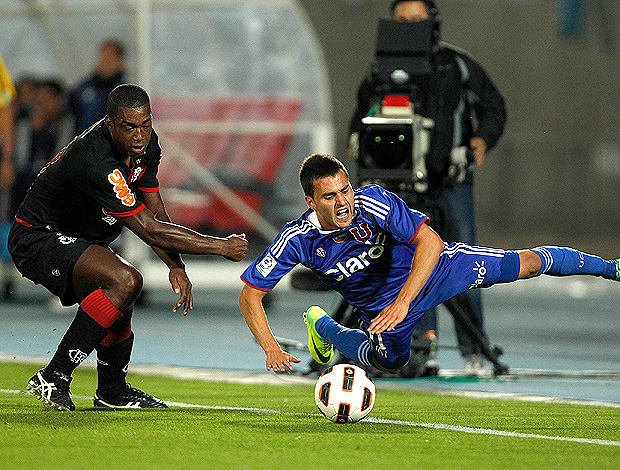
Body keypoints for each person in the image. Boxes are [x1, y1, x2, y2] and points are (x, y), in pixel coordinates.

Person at [238, 153, 618, 374]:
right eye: (329, 196)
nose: (343, 202)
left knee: (528, 264)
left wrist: (403, 301)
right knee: (389, 362)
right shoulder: (298, 239)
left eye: (345, 190)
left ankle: (612, 267)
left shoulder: (372, 202)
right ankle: (323, 325)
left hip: (434, 271)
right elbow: (250, 295)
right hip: (381, 309)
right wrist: (269, 346)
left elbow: (430, 241)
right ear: (310, 202)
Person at [9, 84, 248, 411]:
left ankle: (112, 392)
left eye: (146, 124)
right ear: (110, 124)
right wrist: (221, 247)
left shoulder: (147, 147)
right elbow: (149, 229)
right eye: (129, 127)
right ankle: (54, 375)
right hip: (36, 237)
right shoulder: (96, 161)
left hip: (81, 240)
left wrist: (175, 265)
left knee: (122, 294)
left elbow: (157, 213)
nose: (140, 135)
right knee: (124, 280)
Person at [348, 0, 507, 375]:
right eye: (401, 22)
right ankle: (419, 347)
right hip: (395, 186)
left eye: (416, 21)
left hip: (450, 184)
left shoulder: (457, 65)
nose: (409, 28)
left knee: (464, 264)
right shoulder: (379, 72)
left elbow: (494, 106)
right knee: (405, 264)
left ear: (433, 23)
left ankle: (474, 350)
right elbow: (360, 121)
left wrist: (482, 140)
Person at [11, 79, 74, 217]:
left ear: (58, 99)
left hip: (52, 182)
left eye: (48, 97)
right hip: (26, 180)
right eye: (41, 98)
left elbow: (60, 158)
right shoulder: (26, 123)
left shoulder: (66, 123)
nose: (43, 103)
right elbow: (20, 159)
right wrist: (34, 131)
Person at [69, 39, 127, 135]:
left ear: (120, 62)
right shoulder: (84, 88)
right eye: (102, 56)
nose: (105, 61)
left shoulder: (125, 92)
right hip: (84, 144)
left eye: (109, 57)